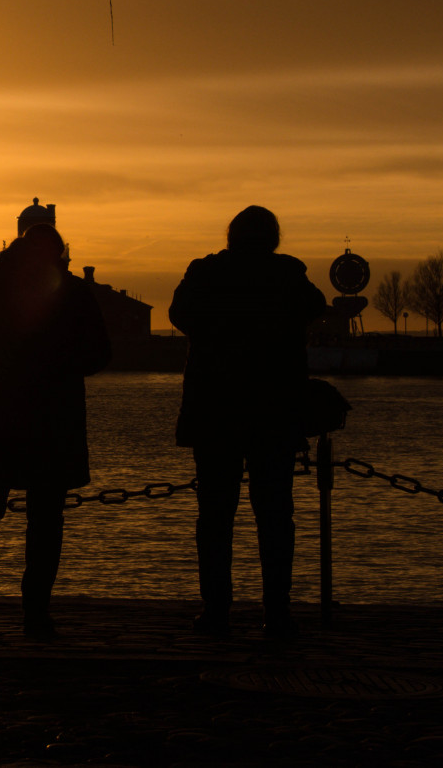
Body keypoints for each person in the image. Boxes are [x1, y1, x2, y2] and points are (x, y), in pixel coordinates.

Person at [0, 223, 112, 640]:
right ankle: (36, 615)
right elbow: (99, 353)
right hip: (54, 420)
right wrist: (58, 371)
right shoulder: (72, 293)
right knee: (45, 520)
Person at [169, 205, 326, 639]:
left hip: (215, 410)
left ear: (231, 236)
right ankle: (277, 613)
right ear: (273, 238)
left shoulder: (204, 273)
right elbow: (316, 307)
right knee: (275, 515)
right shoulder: (288, 275)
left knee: (215, 516)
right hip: (273, 411)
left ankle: (215, 610)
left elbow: (178, 316)